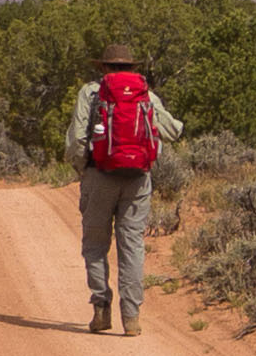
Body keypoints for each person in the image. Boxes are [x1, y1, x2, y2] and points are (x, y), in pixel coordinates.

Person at [64, 58, 185, 334]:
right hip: (138, 180)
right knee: (132, 246)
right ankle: (131, 318)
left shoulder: (91, 93)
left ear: (104, 67)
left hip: (99, 175)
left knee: (95, 245)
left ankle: (101, 310)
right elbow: (173, 131)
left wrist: (85, 168)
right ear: (131, 67)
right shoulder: (145, 94)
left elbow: (77, 139)